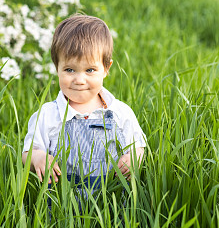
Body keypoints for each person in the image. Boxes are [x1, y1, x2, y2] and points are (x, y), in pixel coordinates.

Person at [22, 14, 146, 193]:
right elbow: (28, 153)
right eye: (69, 69)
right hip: (62, 206)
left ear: (106, 69)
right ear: (57, 68)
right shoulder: (48, 115)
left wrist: (133, 158)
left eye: (90, 70)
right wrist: (39, 158)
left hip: (111, 202)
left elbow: (138, 146)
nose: (79, 80)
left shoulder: (120, 112)